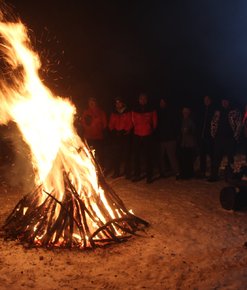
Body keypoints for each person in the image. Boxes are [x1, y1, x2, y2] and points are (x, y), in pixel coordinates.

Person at [208, 97, 242, 182]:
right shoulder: (218, 112)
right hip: (219, 138)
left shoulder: (234, 112)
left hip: (229, 138)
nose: (224, 103)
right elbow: (213, 123)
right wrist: (213, 134)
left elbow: (239, 124)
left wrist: (235, 137)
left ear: (228, 102)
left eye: (226, 101)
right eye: (223, 101)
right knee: (216, 158)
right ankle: (214, 175)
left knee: (230, 158)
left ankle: (231, 176)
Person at [132, 93, 157, 183]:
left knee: (148, 156)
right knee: (136, 156)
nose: (142, 100)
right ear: (139, 100)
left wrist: (151, 130)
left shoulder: (151, 109)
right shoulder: (135, 109)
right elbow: (133, 121)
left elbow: (154, 122)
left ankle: (149, 176)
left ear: (146, 100)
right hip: (137, 134)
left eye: (144, 99)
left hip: (147, 134)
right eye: (141, 99)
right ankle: (137, 174)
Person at [108, 97, 133, 178]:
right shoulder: (114, 112)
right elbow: (111, 123)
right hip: (116, 136)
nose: (118, 104)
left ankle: (127, 172)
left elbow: (130, 122)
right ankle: (116, 172)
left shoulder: (128, 112)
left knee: (126, 154)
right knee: (116, 155)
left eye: (119, 102)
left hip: (125, 135)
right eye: (116, 103)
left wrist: (126, 130)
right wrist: (113, 131)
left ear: (123, 103)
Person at [81, 97, 107, 169]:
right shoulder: (86, 112)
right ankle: (91, 168)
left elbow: (104, 124)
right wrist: (89, 127)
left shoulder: (101, 112)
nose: (91, 103)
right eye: (90, 102)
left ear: (96, 103)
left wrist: (98, 127)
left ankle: (101, 168)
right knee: (89, 154)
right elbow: (83, 123)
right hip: (89, 137)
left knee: (100, 154)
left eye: (93, 101)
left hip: (98, 137)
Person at [156, 97, 179, 178]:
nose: (162, 103)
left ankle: (176, 171)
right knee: (161, 157)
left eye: (163, 102)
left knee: (171, 156)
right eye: (160, 102)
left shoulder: (171, 112)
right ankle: (162, 172)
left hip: (170, 138)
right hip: (161, 139)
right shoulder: (158, 113)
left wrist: (175, 136)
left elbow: (175, 125)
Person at [197, 95, 215, 178]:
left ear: (210, 100)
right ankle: (202, 171)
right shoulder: (202, 110)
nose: (206, 101)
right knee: (202, 154)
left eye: (207, 99)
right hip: (202, 136)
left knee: (211, 154)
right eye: (205, 100)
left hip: (210, 136)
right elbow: (200, 123)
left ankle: (212, 171)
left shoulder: (213, 110)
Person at [177, 106, 197, 179]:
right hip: (183, 143)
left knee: (189, 159)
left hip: (189, 143)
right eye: (184, 111)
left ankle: (189, 174)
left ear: (189, 112)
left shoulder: (191, 121)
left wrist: (189, 130)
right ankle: (184, 173)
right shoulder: (181, 120)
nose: (185, 113)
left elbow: (194, 130)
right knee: (183, 159)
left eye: (186, 112)